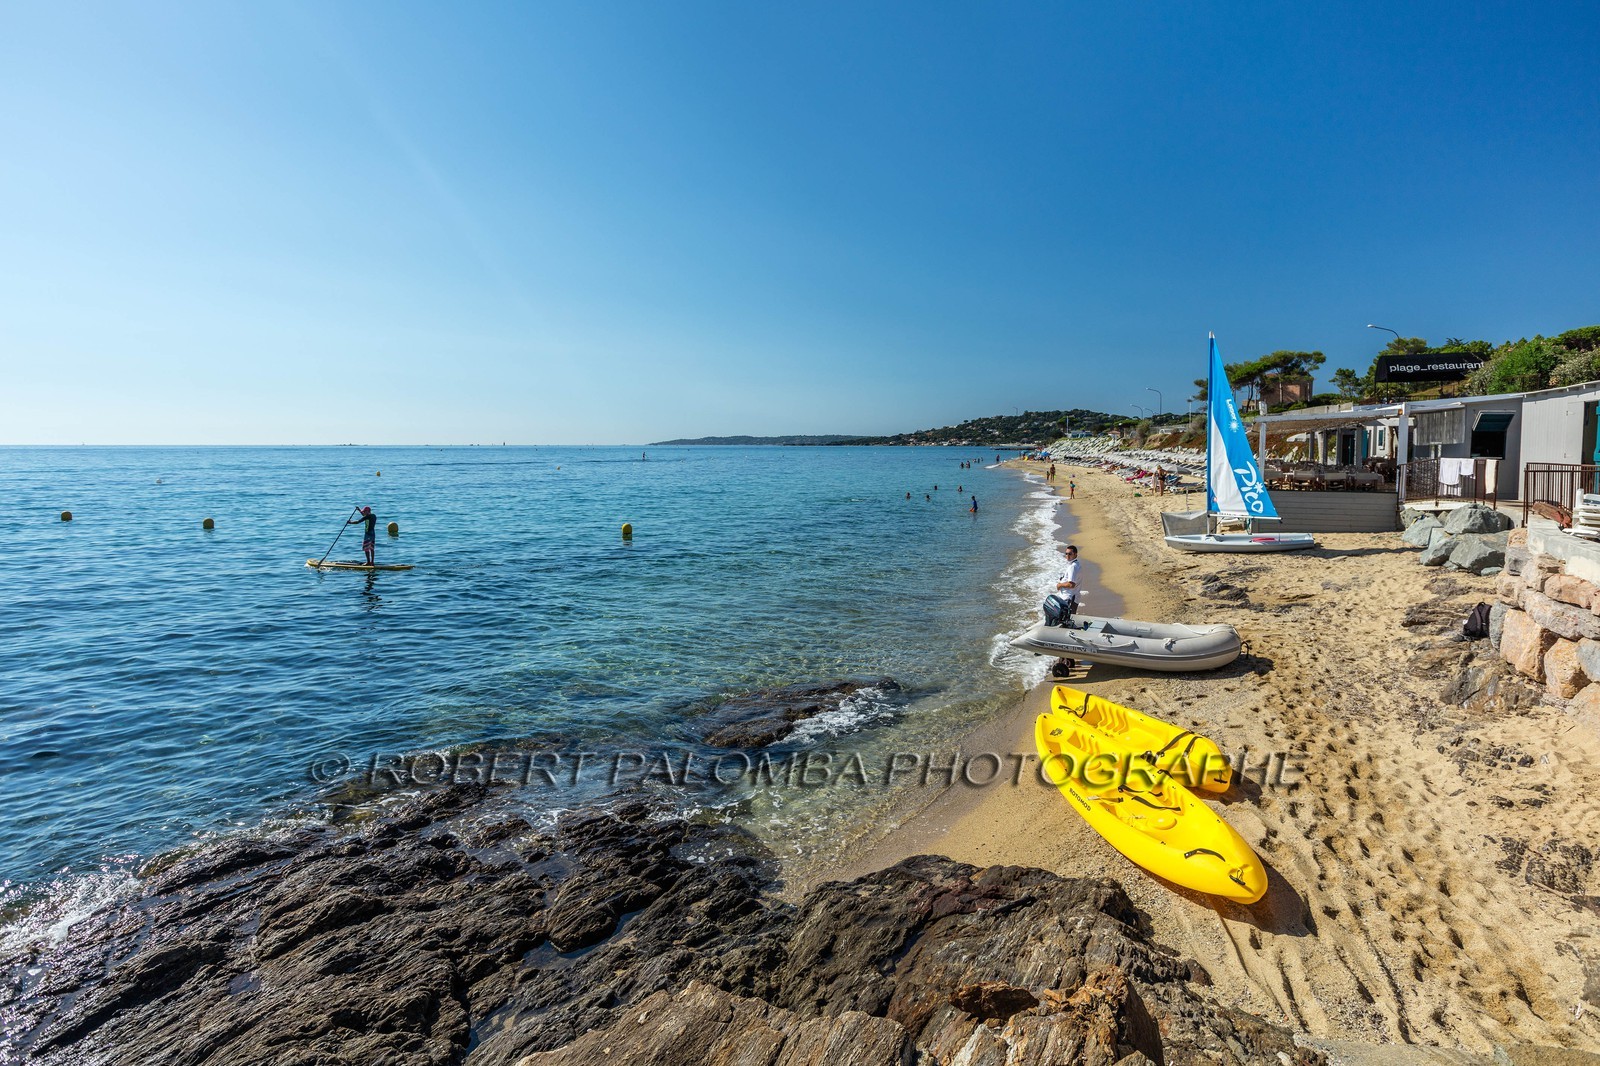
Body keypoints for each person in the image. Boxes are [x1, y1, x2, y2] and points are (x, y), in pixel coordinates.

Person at [1042, 544, 1082, 627]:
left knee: (1066, 621)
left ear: (1075, 554)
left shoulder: (1073, 567)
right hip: (1073, 597)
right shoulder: (1076, 564)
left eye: (1070, 554)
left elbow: (1071, 584)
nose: (1067, 556)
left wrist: (1060, 585)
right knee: (1068, 619)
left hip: (1069, 598)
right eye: (1066, 554)